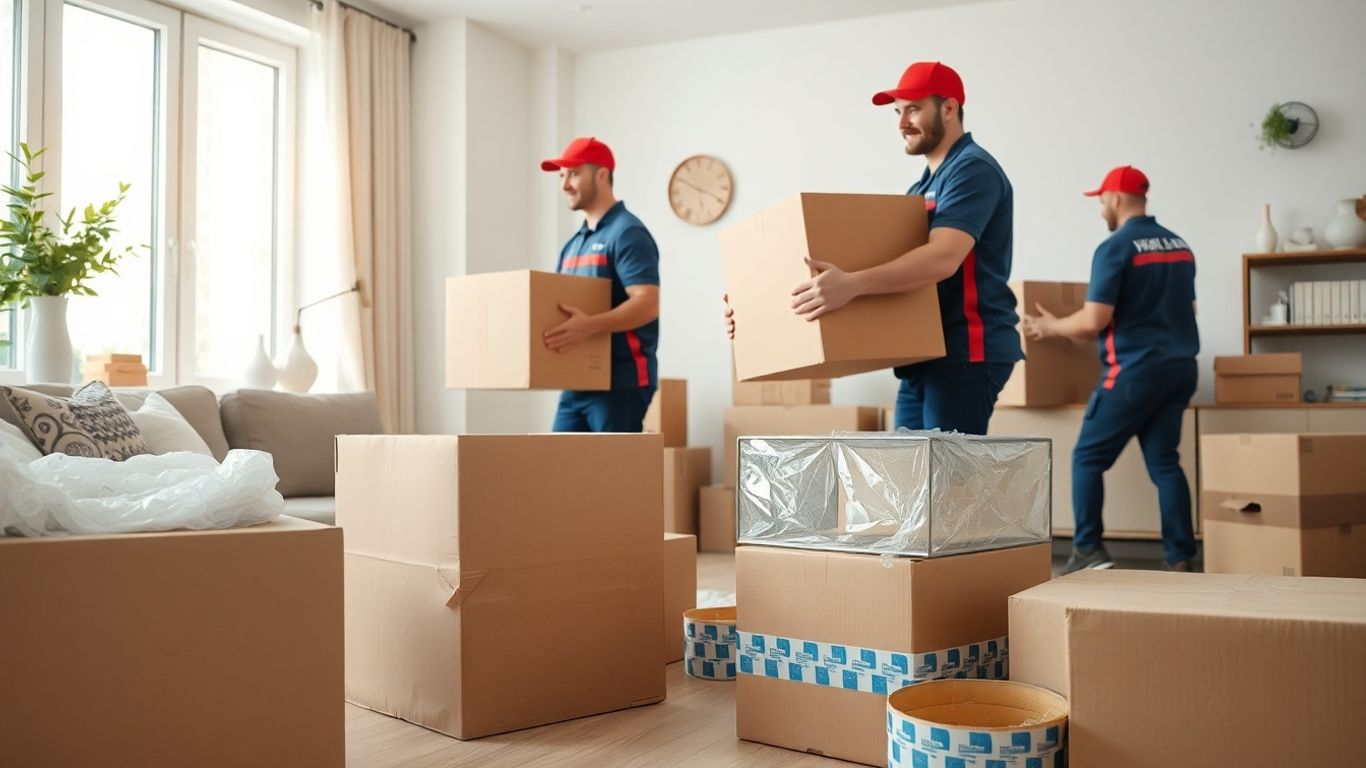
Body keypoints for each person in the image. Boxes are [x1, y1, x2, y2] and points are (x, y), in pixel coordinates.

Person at [725, 61, 1022, 434]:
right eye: (898, 112)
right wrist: (755, 310)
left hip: (965, 352)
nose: (901, 124)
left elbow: (942, 258)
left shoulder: (973, 170)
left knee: (944, 487)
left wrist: (852, 284)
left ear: (949, 108)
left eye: (913, 109)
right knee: (910, 485)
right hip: (925, 354)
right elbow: (869, 267)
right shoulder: (920, 189)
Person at [1022, 165, 1200, 573]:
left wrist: (1048, 326)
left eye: (1101, 199)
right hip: (1180, 370)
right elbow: (1188, 309)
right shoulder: (1180, 245)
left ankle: (1087, 550)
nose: (1101, 207)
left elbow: (1092, 321)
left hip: (1134, 374)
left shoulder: (1116, 248)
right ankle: (1180, 558)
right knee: (1165, 463)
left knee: (1087, 457)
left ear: (1116, 198)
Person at [541, 137, 661, 432]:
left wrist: (588, 325)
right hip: (575, 384)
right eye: (561, 176)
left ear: (602, 174)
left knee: (612, 477)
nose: (564, 184)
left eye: (573, 173)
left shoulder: (628, 233)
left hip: (621, 384)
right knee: (555, 472)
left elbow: (647, 303)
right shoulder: (574, 244)